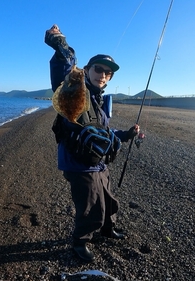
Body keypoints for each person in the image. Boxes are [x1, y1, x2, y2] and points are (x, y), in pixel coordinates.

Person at [44, 24, 140, 262]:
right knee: (90, 207)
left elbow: (105, 132)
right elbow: (63, 67)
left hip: (99, 162)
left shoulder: (99, 101)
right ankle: (80, 242)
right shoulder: (74, 86)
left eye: (109, 73)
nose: (103, 75)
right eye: (99, 69)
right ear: (86, 70)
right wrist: (61, 44)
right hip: (78, 163)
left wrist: (127, 134)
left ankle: (107, 229)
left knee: (108, 200)